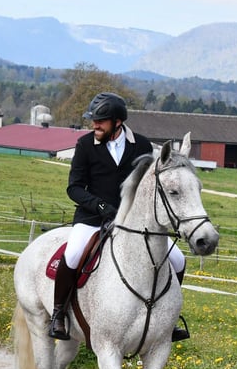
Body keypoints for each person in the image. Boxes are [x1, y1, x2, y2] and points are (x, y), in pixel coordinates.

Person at [49, 91, 190, 342]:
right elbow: (74, 187)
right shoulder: (84, 145)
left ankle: (169, 318)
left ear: (117, 122)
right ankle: (58, 313)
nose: (94, 125)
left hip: (134, 222)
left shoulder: (142, 146)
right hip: (93, 219)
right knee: (71, 255)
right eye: (93, 121)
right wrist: (100, 206)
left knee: (177, 259)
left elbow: (149, 185)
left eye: (100, 121)